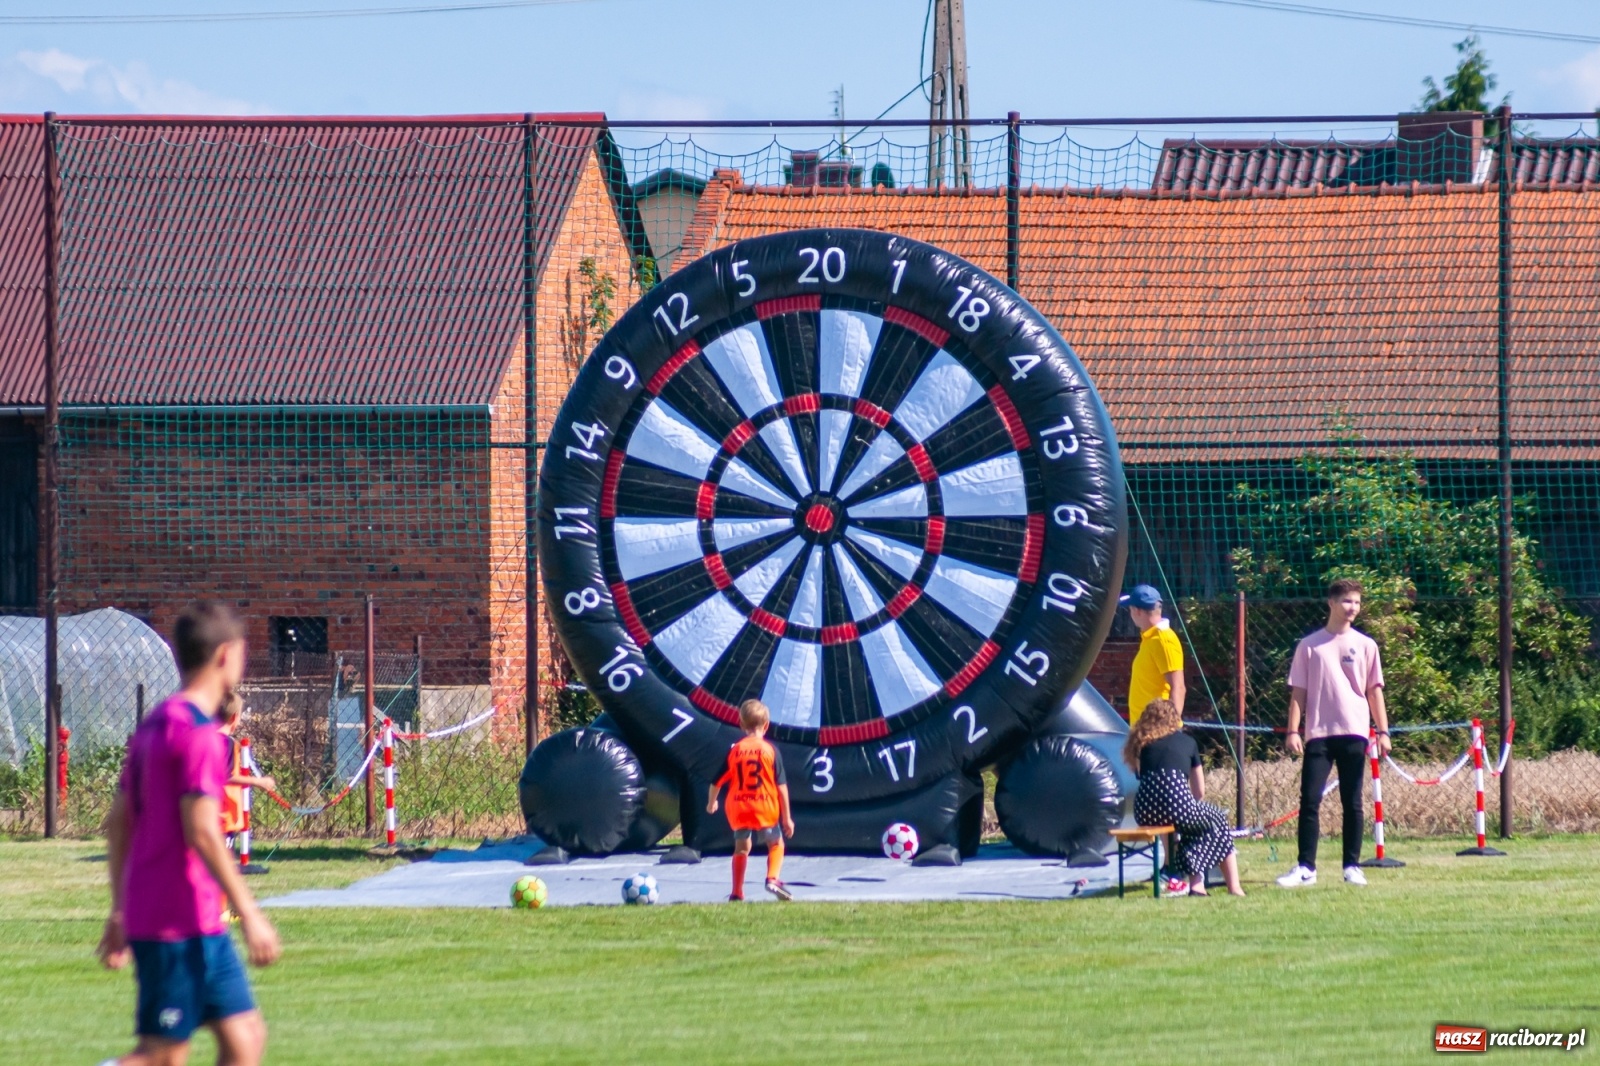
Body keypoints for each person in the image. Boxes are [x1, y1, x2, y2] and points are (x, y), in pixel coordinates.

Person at [97, 602, 281, 1066]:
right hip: (172, 920)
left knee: (245, 1037)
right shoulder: (198, 734)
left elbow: (117, 821)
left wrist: (120, 907)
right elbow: (201, 830)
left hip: (199, 920)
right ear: (225, 655)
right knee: (162, 1056)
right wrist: (251, 912)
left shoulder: (155, 723)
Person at [1276, 577, 1391, 889]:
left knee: (1352, 801)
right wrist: (1293, 731)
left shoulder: (1367, 645)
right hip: (1318, 734)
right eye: (1346, 601)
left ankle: (1352, 865)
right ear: (1331, 603)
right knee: (1309, 799)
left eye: (1356, 601)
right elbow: (1298, 692)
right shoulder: (1309, 646)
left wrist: (1383, 732)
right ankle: (1306, 867)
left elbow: (1374, 692)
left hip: (1354, 732)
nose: (1352, 607)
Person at [1125, 698, 1244, 897]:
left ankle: (1198, 886)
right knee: (1217, 819)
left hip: (1144, 811)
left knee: (1196, 827)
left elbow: (1143, 777)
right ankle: (1232, 887)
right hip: (1178, 807)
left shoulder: (1142, 746)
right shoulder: (1187, 742)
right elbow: (1199, 792)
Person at [706, 699, 795, 902]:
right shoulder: (770, 750)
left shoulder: (735, 750)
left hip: (739, 807)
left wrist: (712, 803)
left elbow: (716, 782)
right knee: (776, 843)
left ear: (742, 725)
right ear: (766, 725)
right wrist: (787, 817)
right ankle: (772, 878)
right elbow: (781, 787)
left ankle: (737, 892)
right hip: (764, 807)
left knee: (741, 848)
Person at [1121, 584, 1186, 725]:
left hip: (1156, 732)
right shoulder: (1150, 638)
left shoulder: (1164, 640)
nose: (1130, 613)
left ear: (1137, 611)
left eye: (1130, 609)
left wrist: (1170, 731)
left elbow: (1178, 687)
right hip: (1143, 731)